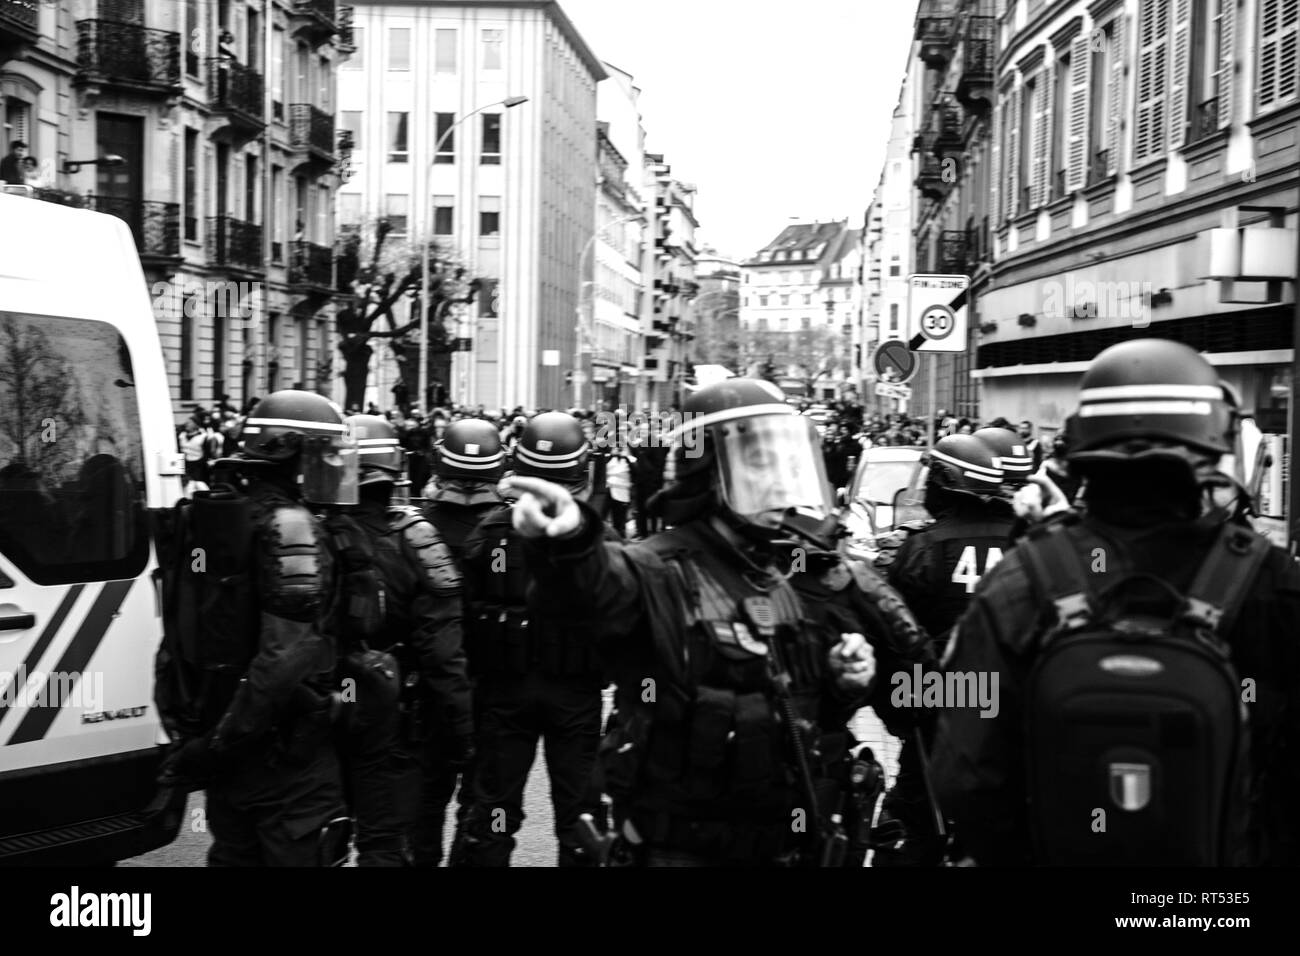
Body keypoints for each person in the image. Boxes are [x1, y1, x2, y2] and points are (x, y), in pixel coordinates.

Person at [931, 339, 1300, 866]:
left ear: (1081, 443)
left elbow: (961, 775)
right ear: (1214, 440)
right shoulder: (1273, 579)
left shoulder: (1021, 579)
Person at [505, 380, 903, 867]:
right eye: (761, 463)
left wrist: (843, 682)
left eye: (785, 462)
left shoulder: (774, 579)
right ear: (709, 471)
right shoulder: (657, 569)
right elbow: (595, 586)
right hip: (679, 849)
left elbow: (801, 718)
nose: (781, 481)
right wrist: (570, 542)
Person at [156, 390, 350, 866]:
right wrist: (225, 741)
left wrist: (206, 741)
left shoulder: (222, 514)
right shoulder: (290, 527)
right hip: (283, 759)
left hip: (228, 743)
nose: (334, 468)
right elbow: (283, 658)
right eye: (324, 454)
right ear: (291, 453)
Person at [452, 412, 612, 866]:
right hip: (573, 699)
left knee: (497, 811)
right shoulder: (603, 543)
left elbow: (462, 619)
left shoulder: (490, 535)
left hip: (505, 696)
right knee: (577, 815)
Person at [323, 414, 471, 866]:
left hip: (321, 710)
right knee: (387, 841)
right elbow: (443, 652)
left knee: (317, 837)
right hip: (395, 720)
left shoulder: (311, 533)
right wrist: (462, 735)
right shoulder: (417, 538)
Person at [872, 434, 1014, 866]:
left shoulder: (923, 548)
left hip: (936, 710)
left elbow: (892, 643)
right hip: (1005, 717)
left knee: (909, 824)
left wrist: (898, 713)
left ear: (945, 482)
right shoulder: (1028, 545)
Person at [418, 418, 509, 865]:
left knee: (424, 802)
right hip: (493, 688)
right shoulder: (509, 532)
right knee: (481, 808)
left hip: (427, 691)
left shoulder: (415, 528)